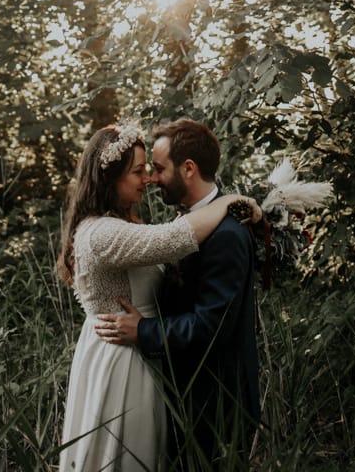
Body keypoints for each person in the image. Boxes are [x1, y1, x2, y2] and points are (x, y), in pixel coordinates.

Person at [57, 123, 261, 472]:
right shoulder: (105, 231)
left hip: (208, 393)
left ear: (189, 169)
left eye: (155, 169)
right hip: (123, 362)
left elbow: (214, 324)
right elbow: (171, 239)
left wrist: (147, 331)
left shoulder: (224, 234)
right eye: (139, 171)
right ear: (111, 177)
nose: (149, 178)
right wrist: (233, 200)